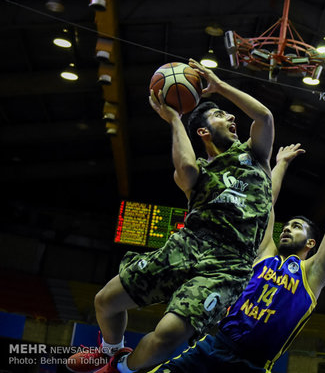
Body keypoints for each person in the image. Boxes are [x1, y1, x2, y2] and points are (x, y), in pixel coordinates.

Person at [68, 59, 274, 373]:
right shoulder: (197, 172)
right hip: (188, 244)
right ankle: (108, 350)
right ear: (203, 131)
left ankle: (119, 369)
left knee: (167, 337)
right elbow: (187, 168)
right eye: (220, 114)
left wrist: (219, 86)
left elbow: (264, 115)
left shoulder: (255, 156)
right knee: (105, 301)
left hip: (229, 263)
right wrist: (175, 119)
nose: (232, 116)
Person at [148, 144, 325, 372]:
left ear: (311, 243)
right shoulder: (265, 254)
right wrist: (281, 164)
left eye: (296, 227)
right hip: (215, 347)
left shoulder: (313, 274)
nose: (286, 229)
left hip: (252, 365)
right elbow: (264, 204)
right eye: (286, 226)